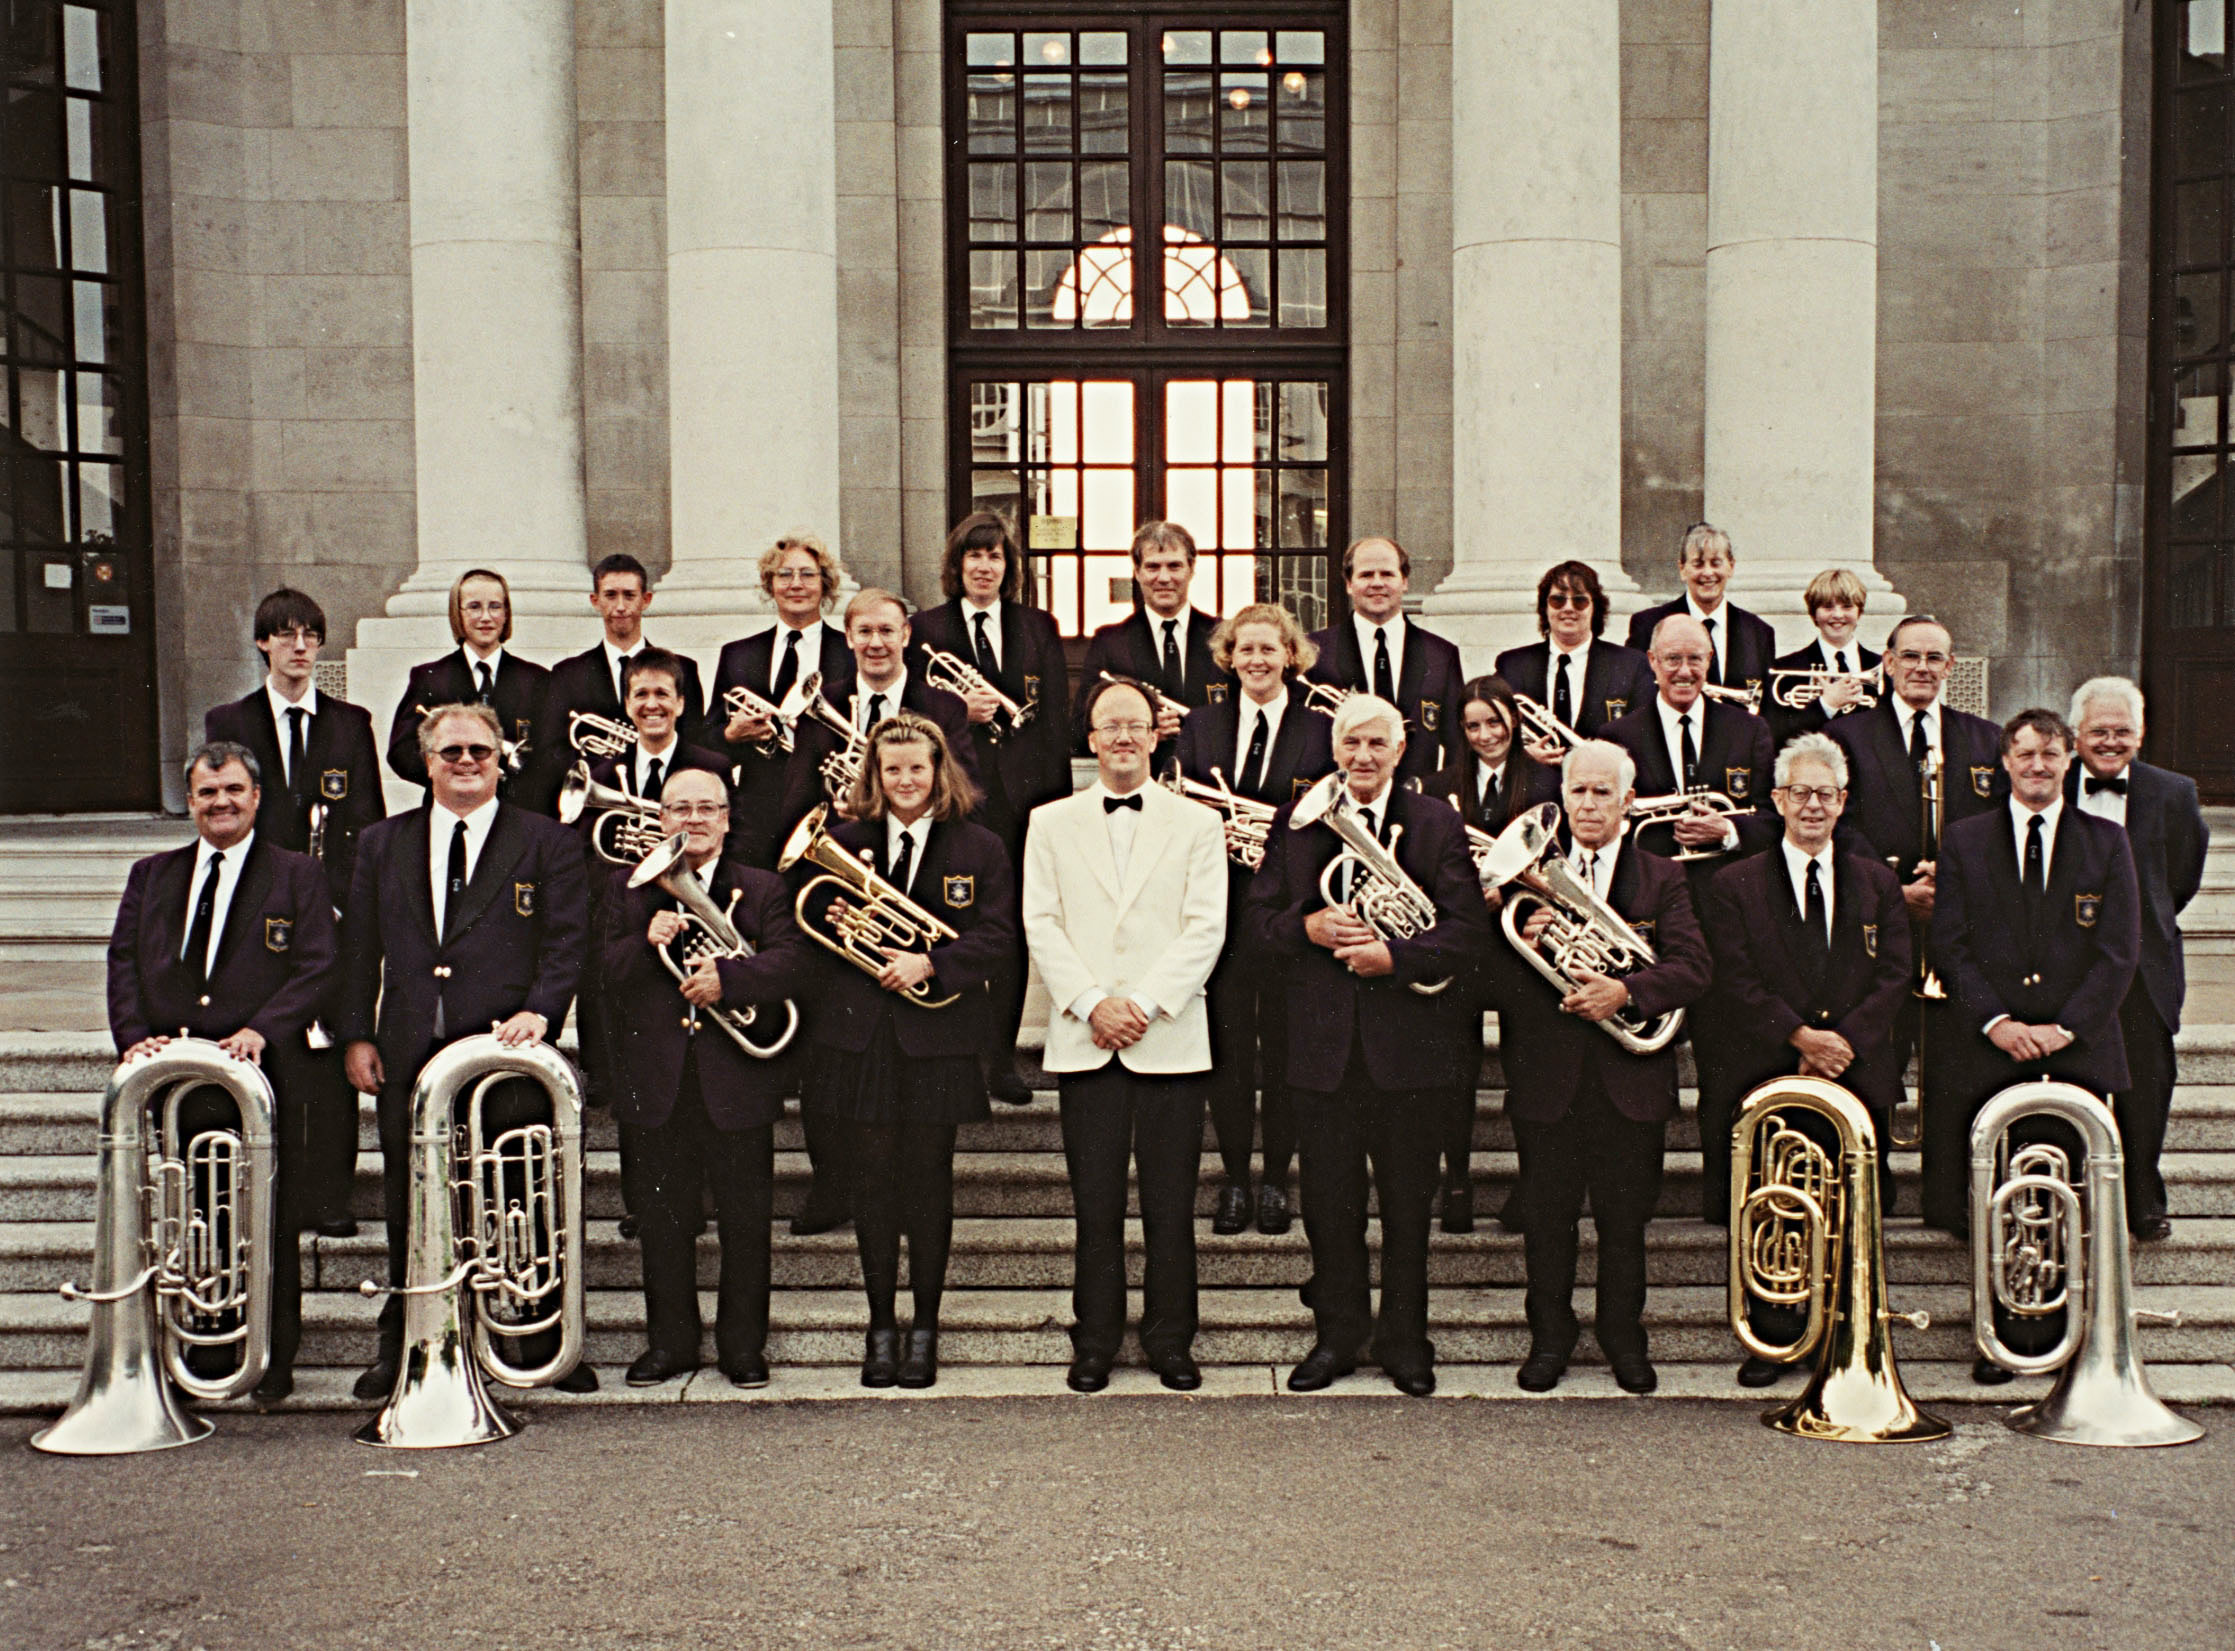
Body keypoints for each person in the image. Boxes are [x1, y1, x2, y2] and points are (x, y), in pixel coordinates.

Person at [336, 702, 594, 1400]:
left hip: (507, 1048)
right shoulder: (383, 842)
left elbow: (567, 940)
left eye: (480, 750)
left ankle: (538, 1334)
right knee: (410, 1199)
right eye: (451, 752)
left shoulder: (546, 840)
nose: (466, 762)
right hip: (408, 1048)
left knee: (523, 1192)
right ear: (427, 762)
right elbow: (357, 947)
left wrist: (542, 1010)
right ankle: (404, 1339)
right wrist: (356, 1033)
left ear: (501, 760)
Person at [1246, 693, 1490, 1396]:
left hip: (1409, 1052)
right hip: (1322, 1051)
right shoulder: (1297, 825)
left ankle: (1405, 1341)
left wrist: (1396, 957)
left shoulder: (1435, 822)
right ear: (1334, 749)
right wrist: (1307, 926)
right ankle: (1337, 1337)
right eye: (1350, 743)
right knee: (1329, 1208)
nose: (1362, 756)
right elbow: (1256, 923)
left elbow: (1466, 931)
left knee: (1408, 1208)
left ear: (1400, 749)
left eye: (1376, 743)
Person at [105, 742, 338, 1403]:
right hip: (178, 1077)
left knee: (268, 1216)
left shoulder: (297, 874)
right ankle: (202, 1346)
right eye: (207, 792)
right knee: (192, 1215)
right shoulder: (151, 873)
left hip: (265, 1072)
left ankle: (269, 1356)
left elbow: (319, 963)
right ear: (190, 801)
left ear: (256, 797)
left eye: (234, 789)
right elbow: (124, 961)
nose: (221, 802)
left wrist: (262, 1028)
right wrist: (135, 1039)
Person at [796, 713, 1014, 1389]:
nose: (905, 779)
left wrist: (931, 964)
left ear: (938, 770)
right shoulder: (843, 841)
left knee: (927, 1183)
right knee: (870, 1182)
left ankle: (924, 1325)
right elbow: (807, 937)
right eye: (892, 769)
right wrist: (840, 924)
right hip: (861, 1040)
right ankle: (879, 1324)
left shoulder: (979, 846)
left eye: (917, 766)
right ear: (875, 774)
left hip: (936, 1041)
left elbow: (998, 936)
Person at [1025, 676, 1228, 1392]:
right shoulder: (1049, 821)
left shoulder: (1199, 823)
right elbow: (1041, 922)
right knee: (1096, 1204)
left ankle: (1171, 1340)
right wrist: (1091, 1004)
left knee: (1171, 1205)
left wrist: (1140, 1003)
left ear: (1154, 735)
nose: (1121, 736)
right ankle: (1095, 1341)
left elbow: (1206, 926)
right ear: (1090, 739)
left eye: (1134, 724)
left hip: (1167, 1036)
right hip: (1086, 1039)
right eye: (1108, 725)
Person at [1491, 739, 1711, 1395]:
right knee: (1545, 1222)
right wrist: (1523, 944)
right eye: (1577, 791)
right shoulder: (1525, 880)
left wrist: (1626, 991)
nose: (1587, 804)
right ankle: (1548, 1338)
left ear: (1628, 800)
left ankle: (1623, 1337)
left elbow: (1694, 968)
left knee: (1623, 1223)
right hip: (1547, 1079)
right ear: (1562, 797)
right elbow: (1489, 978)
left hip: (1628, 1082)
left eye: (1601, 792)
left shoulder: (1662, 877)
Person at [1930, 707, 2140, 1382]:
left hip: (2075, 1048)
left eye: (2050, 754)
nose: (2038, 766)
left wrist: (2065, 1027)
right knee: (1997, 1196)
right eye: (2025, 754)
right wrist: (1996, 1021)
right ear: (2005, 762)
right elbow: (1949, 943)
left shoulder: (2107, 840)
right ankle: (2001, 1334)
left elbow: (2119, 951)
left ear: (2068, 760)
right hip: (1989, 1046)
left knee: (2067, 1192)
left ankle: (2067, 1332)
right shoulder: (1964, 839)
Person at [1702, 732, 1912, 1387]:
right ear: (1777, 800)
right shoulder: (1733, 883)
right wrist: (1799, 1037)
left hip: (1856, 1070)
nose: (1813, 805)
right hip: (1772, 1069)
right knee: (1774, 1209)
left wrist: (1840, 1043)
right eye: (1800, 793)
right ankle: (1773, 1335)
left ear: (1843, 801)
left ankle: (1846, 1332)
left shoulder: (1878, 882)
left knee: (1852, 1207)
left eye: (1825, 793)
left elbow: (1895, 974)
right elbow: (1733, 977)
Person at [597, 768, 811, 1389]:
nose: (693, 819)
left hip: (735, 1082)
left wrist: (731, 980)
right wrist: (645, 941)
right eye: (679, 808)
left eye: (706, 808)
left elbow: (794, 965)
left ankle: (742, 1347)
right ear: (661, 818)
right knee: (662, 1224)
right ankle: (670, 1345)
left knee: (746, 1224)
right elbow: (601, 972)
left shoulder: (762, 886)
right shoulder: (627, 889)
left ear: (725, 818)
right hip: (657, 1084)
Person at [781, 589, 980, 1235]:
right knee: (829, 1063)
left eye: (886, 630)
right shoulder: (820, 704)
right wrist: (843, 823)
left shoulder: (943, 708)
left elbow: (969, 792)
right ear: (848, 637)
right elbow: (792, 796)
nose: (874, 642)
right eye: (863, 630)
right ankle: (830, 1186)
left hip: (919, 881)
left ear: (906, 636)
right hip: (843, 879)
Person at [203, 587, 385, 1236]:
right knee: (271, 1050)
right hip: (259, 913)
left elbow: (368, 823)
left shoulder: (350, 723)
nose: (301, 647)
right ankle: (272, 1193)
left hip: (330, 916)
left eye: (310, 635)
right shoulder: (229, 720)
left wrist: (341, 903)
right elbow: (225, 821)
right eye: (286, 635)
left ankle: (330, 1195)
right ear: (263, 643)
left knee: (329, 1056)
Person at [1826, 613, 2007, 1228]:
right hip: (1876, 928)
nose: (1922, 668)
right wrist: (1894, 891)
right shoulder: (1848, 736)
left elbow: (1999, 831)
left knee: (1956, 1066)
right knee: (1874, 1060)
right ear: (1888, 661)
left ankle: (1948, 1200)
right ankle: (1870, 1197)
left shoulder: (1985, 739)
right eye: (1910, 656)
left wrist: (1950, 890)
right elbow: (1837, 825)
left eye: (1934, 658)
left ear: (1950, 667)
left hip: (1958, 933)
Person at [1605, 612, 1777, 1220]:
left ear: (1710, 663)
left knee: (1728, 1063)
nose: (1684, 670)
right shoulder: (1620, 735)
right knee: (1640, 1068)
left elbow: (1776, 816)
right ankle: (1635, 1196)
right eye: (1672, 659)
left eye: (1695, 659)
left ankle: (1724, 1198)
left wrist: (1727, 831)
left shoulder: (1748, 730)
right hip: (1648, 924)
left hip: (1730, 923)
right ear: (1651, 663)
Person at [1172, 604, 1335, 1237]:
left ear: (1291, 655)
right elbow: (1182, 808)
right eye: (1246, 649)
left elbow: (1329, 824)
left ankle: (1275, 1180)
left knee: (1289, 1053)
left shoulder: (1321, 730)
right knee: (1230, 1053)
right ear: (1229, 657)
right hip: (1223, 915)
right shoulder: (1201, 726)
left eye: (1269, 649)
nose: (1257, 660)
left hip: (1291, 914)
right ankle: (1237, 1178)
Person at [909, 512, 1073, 1106]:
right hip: (951, 800)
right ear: (957, 565)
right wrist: (962, 712)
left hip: (1021, 803)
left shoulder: (1038, 626)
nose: (984, 567)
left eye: (995, 556)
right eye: (974, 556)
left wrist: (1055, 808)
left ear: (1010, 566)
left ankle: (1000, 1060)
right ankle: (957, 1057)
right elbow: (909, 710)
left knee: (1008, 931)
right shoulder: (924, 627)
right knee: (948, 923)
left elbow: (1053, 721)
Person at [2067, 676, 2209, 1241]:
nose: (2110, 741)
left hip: (2144, 969)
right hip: (2068, 967)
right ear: (2076, 734)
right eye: (2098, 731)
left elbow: (2180, 878)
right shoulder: (2049, 781)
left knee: (2147, 1087)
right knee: (2071, 1086)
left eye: (2122, 731)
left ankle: (2142, 1198)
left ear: (2141, 733)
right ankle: (2073, 1195)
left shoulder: (2175, 793)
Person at [1427, 674, 1560, 1234]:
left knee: (1529, 1071)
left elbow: (1561, 863)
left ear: (1514, 720)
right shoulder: (1438, 786)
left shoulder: (1548, 782)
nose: (1485, 735)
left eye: (1494, 722)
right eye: (1473, 726)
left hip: (1523, 943)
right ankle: (1456, 1182)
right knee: (1452, 1073)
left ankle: (1533, 1186)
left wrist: (1507, 889)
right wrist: (1464, 895)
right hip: (1462, 945)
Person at [701, 532, 856, 867]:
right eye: (784, 575)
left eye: (807, 574)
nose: (795, 584)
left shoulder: (850, 653)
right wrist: (731, 735)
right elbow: (707, 740)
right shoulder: (738, 655)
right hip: (757, 816)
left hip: (830, 809)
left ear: (825, 584)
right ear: (770, 585)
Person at [532, 553, 707, 814]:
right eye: (611, 595)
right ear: (595, 601)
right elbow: (552, 751)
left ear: (646, 600)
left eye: (629, 595)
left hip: (662, 802)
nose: (621, 606)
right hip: (595, 807)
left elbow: (694, 744)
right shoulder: (567, 674)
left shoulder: (683, 668)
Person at [1304, 536, 1468, 782]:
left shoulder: (1441, 655)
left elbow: (1458, 746)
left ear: (1404, 582)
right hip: (1341, 796)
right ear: (1349, 584)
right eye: (1366, 575)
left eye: (1387, 574)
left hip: (1416, 800)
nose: (1377, 583)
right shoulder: (1315, 651)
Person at [387, 568, 549, 803]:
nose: (486, 617)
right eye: (474, 607)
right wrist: (453, 775)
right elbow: (401, 751)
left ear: (506, 613)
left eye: (495, 606)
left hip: (518, 809)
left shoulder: (537, 679)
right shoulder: (429, 677)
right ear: (458, 614)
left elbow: (551, 753)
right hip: (449, 807)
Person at [1076, 520, 1228, 770]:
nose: (1164, 578)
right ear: (1137, 572)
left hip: (1210, 777)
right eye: (1152, 567)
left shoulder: (1223, 636)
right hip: (1141, 779)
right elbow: (1082, 726)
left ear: (1191, 569)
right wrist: (1146, 727)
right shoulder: (1110, 642)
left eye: (1174, 566)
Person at [1493, 560, 1654, 752]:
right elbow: (1492, 732)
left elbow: (1645, 736)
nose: (1568, 608)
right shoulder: (1512, 665)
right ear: (1545, 607)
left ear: (1594, 608)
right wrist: (1526, 755)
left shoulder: (1632, 665)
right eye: (1558, 600)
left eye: (1579, 601)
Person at [1623, 522, 1777, 696]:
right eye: (1698, 564)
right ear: (1682, 569)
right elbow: (1635, 693)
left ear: (1731, 567)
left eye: (1716, 563)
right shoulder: (1647, 625)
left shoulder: (1759, 632)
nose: (1708, 573)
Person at [1764, 567, 1882, 748]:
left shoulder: (1881, 667)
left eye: (1847, 606)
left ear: (1859, 612)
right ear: (1814, 614)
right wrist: (1826, 705)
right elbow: (1777, 736)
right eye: (1827, 607)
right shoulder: (1786, 669)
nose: (1838, 615)